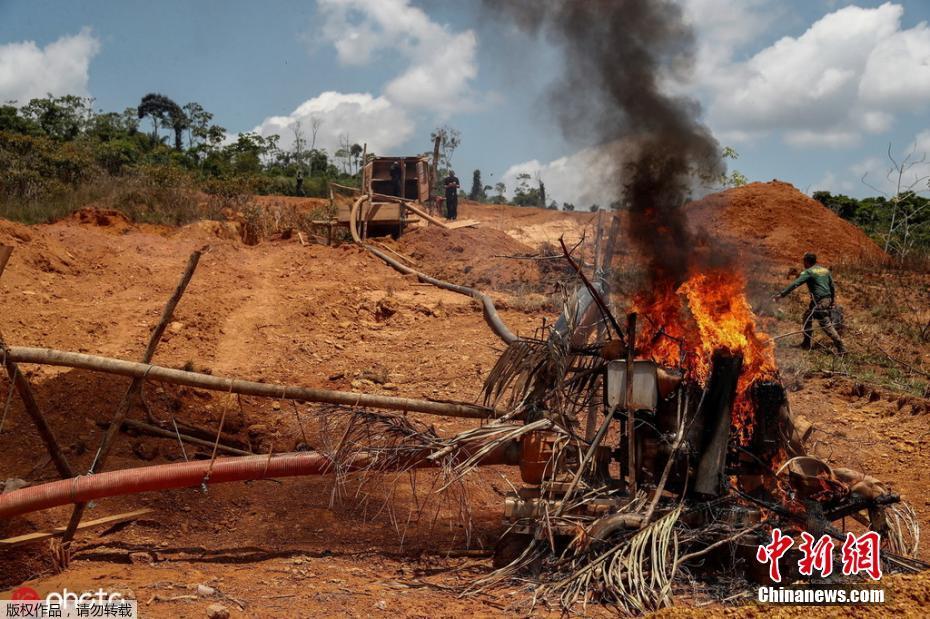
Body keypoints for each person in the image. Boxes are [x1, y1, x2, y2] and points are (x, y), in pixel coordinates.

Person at [772, 252, 846, 354]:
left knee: (825, 324)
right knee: (807, 317)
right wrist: (832, 301)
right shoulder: (825, 270)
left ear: (806, 262)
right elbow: (832, 286)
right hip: (826, 300)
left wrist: (781, 295)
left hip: (819, 302)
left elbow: (795, 283)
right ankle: (806, 343)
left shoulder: (809, 272)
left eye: (804, 261)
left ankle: (841, 348)